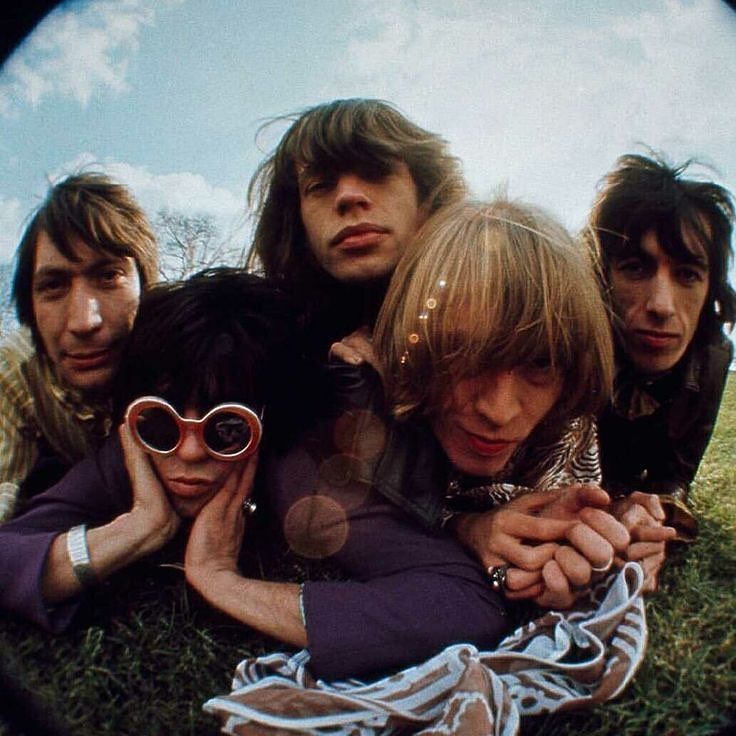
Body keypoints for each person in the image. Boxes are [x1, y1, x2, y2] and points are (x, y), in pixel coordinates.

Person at [587, 154, 735, 563]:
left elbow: (676, 474)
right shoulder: (570, 340)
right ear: (601, 277)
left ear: (710, 290)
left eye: (687, 274)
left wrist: (654, 515)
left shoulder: (713, 358)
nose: (662, 306)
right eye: (635, 267)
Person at [245, 97, 466, 355]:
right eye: (320, 185)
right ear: (297, 221)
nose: (348, 196)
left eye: (375, 172)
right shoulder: (261, 353)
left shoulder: (506, 316)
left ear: (426, 199)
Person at [0, 172, 158, 521]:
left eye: (108, 277)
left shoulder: (183, 347)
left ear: (146, 286)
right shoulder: (15, 369)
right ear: (29, 306)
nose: (84, 322)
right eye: (54, 286)